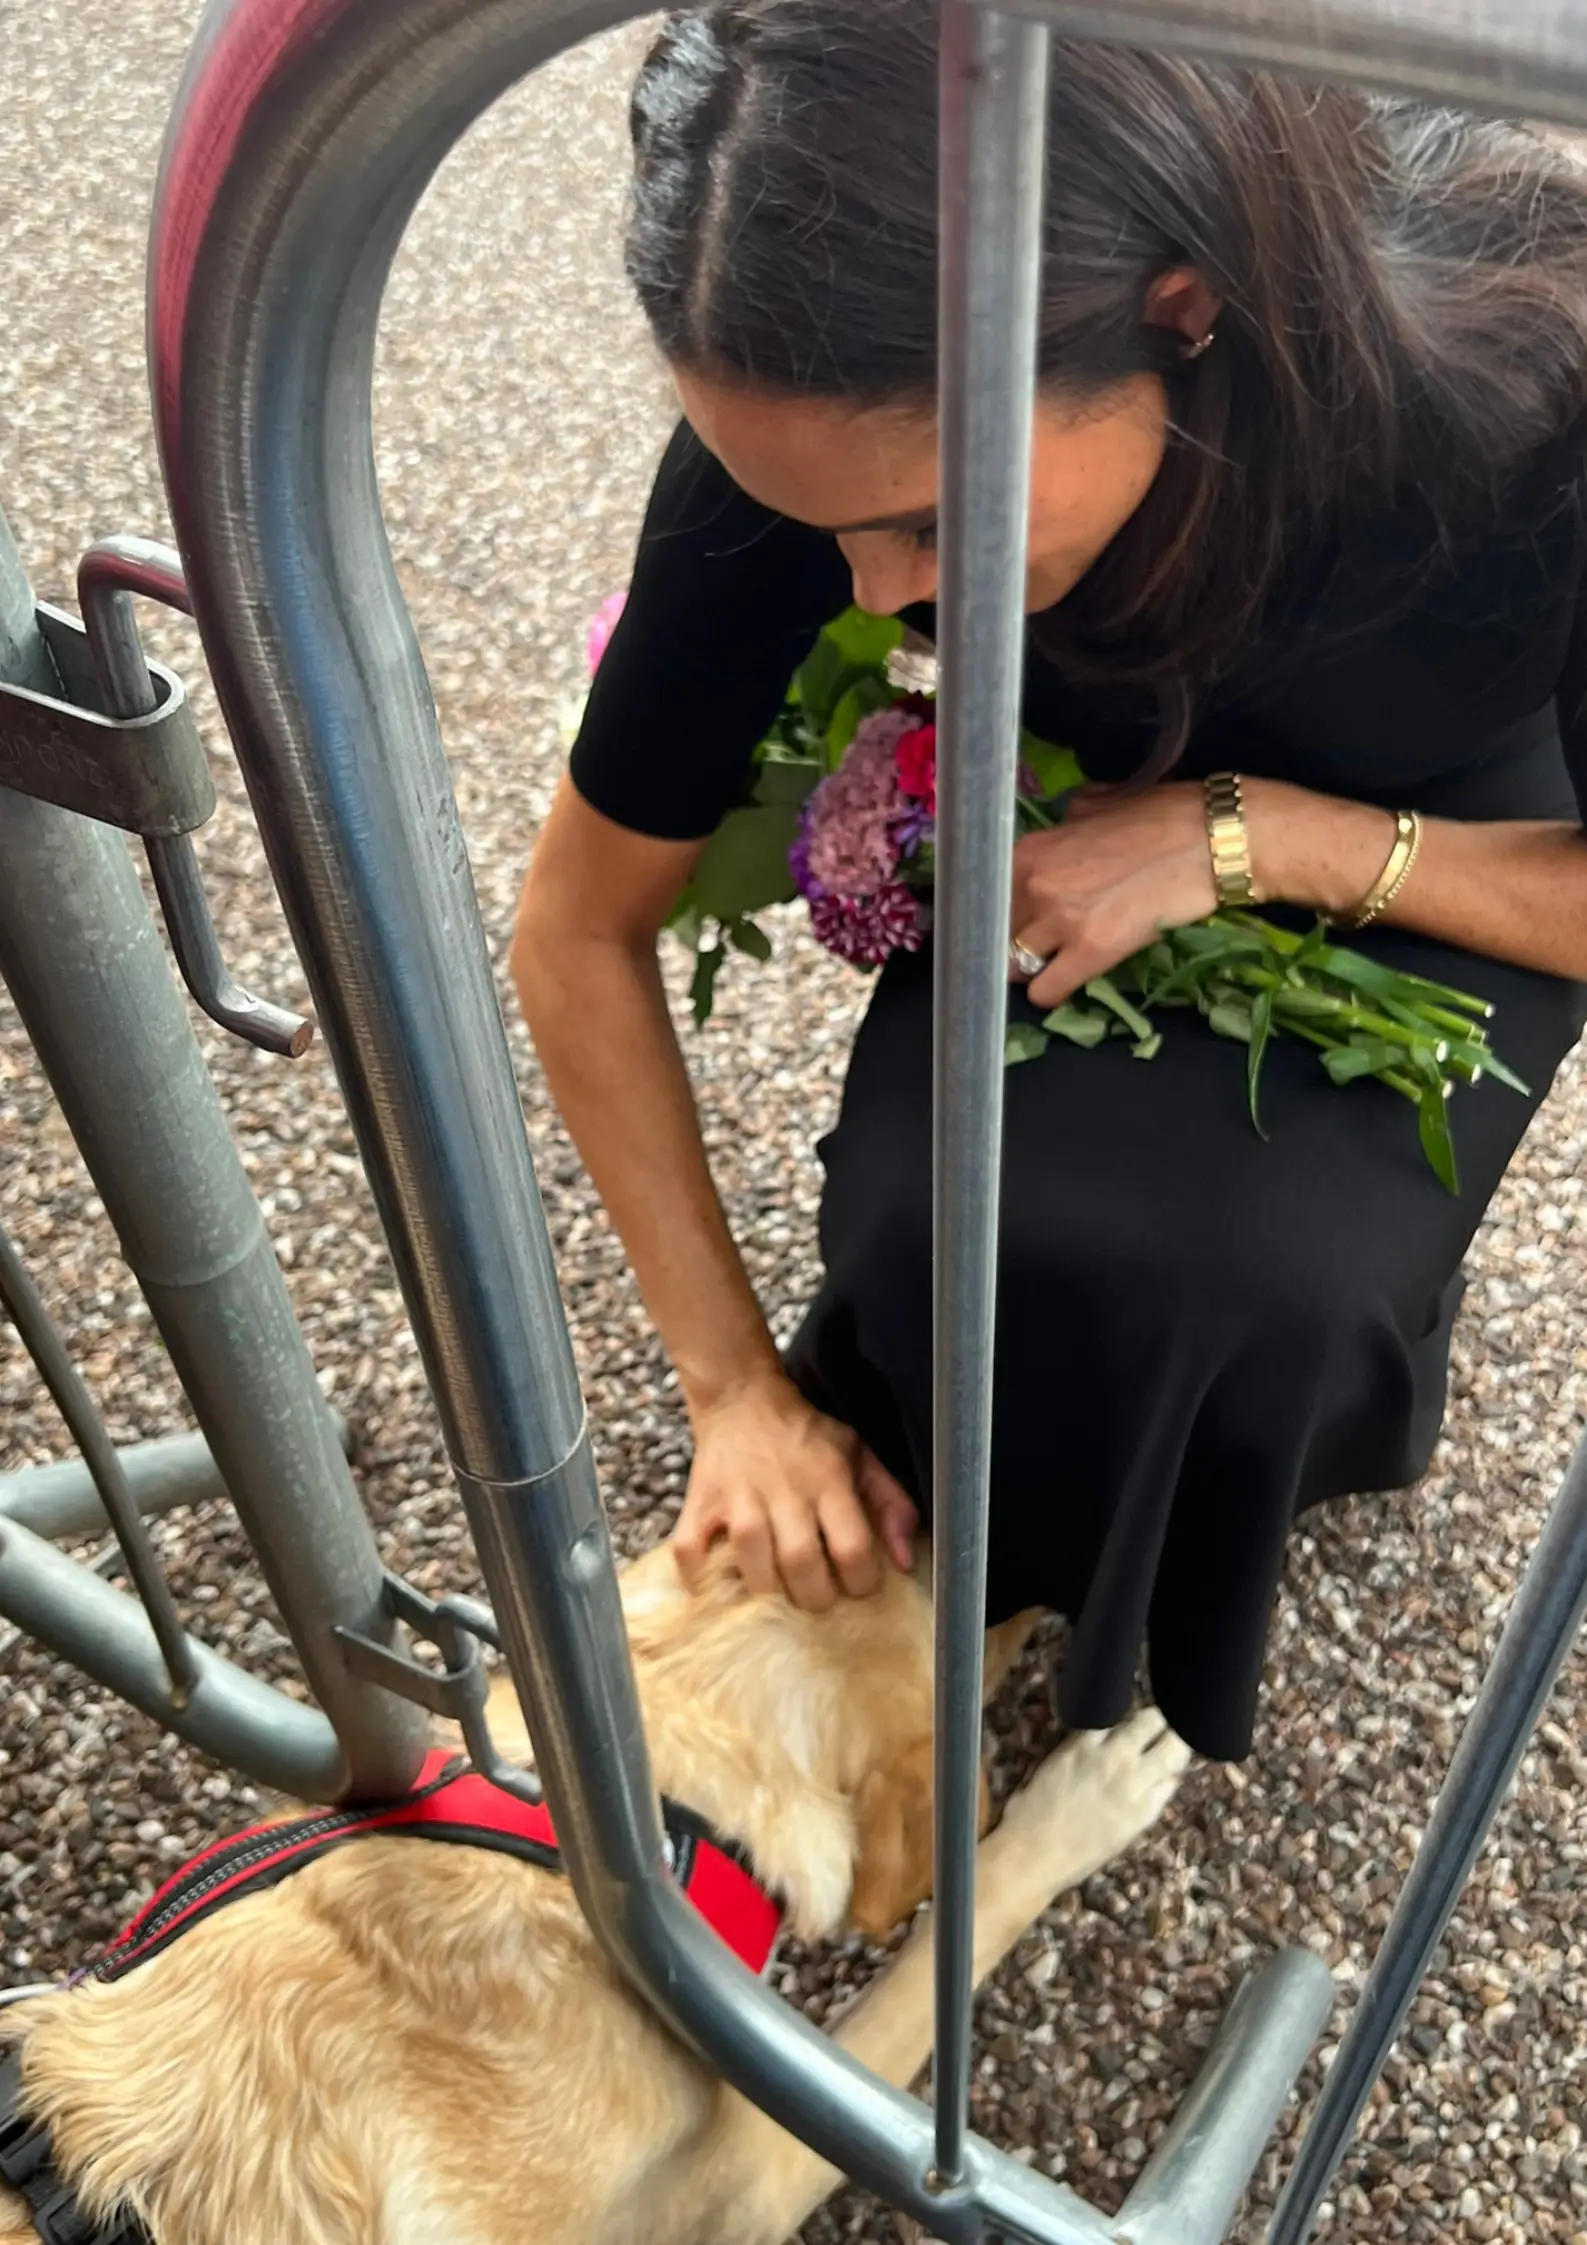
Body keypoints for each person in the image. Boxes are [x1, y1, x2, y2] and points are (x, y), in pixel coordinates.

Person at [512, 1, 1587, 1762]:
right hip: (1089, 804)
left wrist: (1253, 838)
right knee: (934, 1216)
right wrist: (729, 1392)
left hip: (1454, 829)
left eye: (929, 525)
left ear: (1180, 314)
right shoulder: (812, 444)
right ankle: (972, 1516)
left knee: (1273, 1293)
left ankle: (1246, 1497)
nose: (868, 598)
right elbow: (575, 929)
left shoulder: (1524, 399)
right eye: (814, 528)